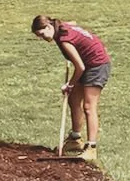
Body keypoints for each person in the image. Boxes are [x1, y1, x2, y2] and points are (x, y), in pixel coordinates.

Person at [32, 14, 110, 165]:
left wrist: (70, 84)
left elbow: (79, 67)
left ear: (48, 27)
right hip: (88, 63)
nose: (42, 38)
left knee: (88, 107)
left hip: (97, 65)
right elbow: (73, 23)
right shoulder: (60, 26)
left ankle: (91, 148)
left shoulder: (64, 39)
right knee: (73, 99)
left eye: (42, 34)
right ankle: (75, 139)